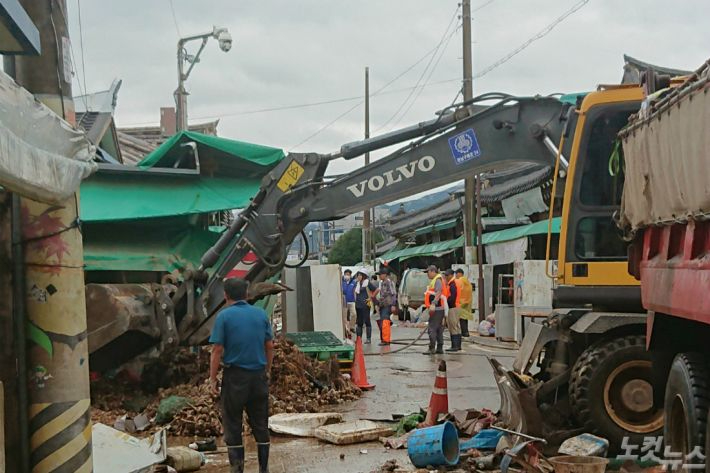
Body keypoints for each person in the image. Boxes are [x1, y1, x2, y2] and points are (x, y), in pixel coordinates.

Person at [209, 278, 273, 473]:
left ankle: (237, 469)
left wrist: (212, 379)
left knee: (233, 425)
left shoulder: (224, 317)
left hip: (235, 378)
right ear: (246, 294)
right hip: (258, 378)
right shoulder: (261, 314)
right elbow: (269, 346)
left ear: (225, 295)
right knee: (261, 425)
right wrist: (267, 370)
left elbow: (217, 350)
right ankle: (264, 469)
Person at [423, 265, 446, 355]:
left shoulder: (437, 280)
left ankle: (432, 348)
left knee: (432, 328)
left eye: (428, 272)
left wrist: (433, 303)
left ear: (433, 271)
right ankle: (439, 348)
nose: (427, 274)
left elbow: (439, 292)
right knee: (439, 329)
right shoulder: (437, 279)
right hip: (439, 309)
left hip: (436, 309)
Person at [375, 268, 397, 346]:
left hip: (388, 305)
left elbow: (393, 294)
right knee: (382, 321)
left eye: (380, 274)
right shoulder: (382, 283)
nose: (379, 276)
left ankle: (386, 340)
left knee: (385, 321)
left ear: (385, 275)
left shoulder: (389, 282)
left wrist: (393, 305)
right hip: (382, 305)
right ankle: (383, 339)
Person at [354, 271, 376, 344]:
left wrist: (371, 297)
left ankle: (368, 339)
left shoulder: (367, 283)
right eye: (358, 275)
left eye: (360, 275)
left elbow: (376, 289)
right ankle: (359, 338)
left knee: (367, 321)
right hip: (358, 305)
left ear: (363, 276)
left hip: (366, 304)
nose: (359, 277)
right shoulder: (357, 283)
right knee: (359, 322)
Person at [444, 269, 462, 352]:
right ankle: (458, 345)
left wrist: (446, 302)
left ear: (451, 275)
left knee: (453, 327)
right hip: (457, 306)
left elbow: (452, 297)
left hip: (453, 307)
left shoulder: (452, 284)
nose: (446, 277)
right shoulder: (455, 282)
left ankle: (454, 346)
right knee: (457, 326)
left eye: (447, 275)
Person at [455, 268, 474, 337]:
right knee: (465, 318)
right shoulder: (467, 281)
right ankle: (466, 332)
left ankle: (464, 333)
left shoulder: (459, 281)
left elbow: (457, 290)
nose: (456, 276)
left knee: (461, 318)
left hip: (461, 301)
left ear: (459, 273)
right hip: (468, 301)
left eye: (456, 274)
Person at [341, 269, 357, 337]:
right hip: (344, 301)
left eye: (348, 274)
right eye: (346, 274)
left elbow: (355, 291)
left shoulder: (353, 282)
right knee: (345, 317)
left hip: (352, 301)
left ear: (350, 275)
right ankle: (346, 329)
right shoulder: (342, 282)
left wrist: (356, 299)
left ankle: (351, 327)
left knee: (354, 314)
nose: (347, 276)